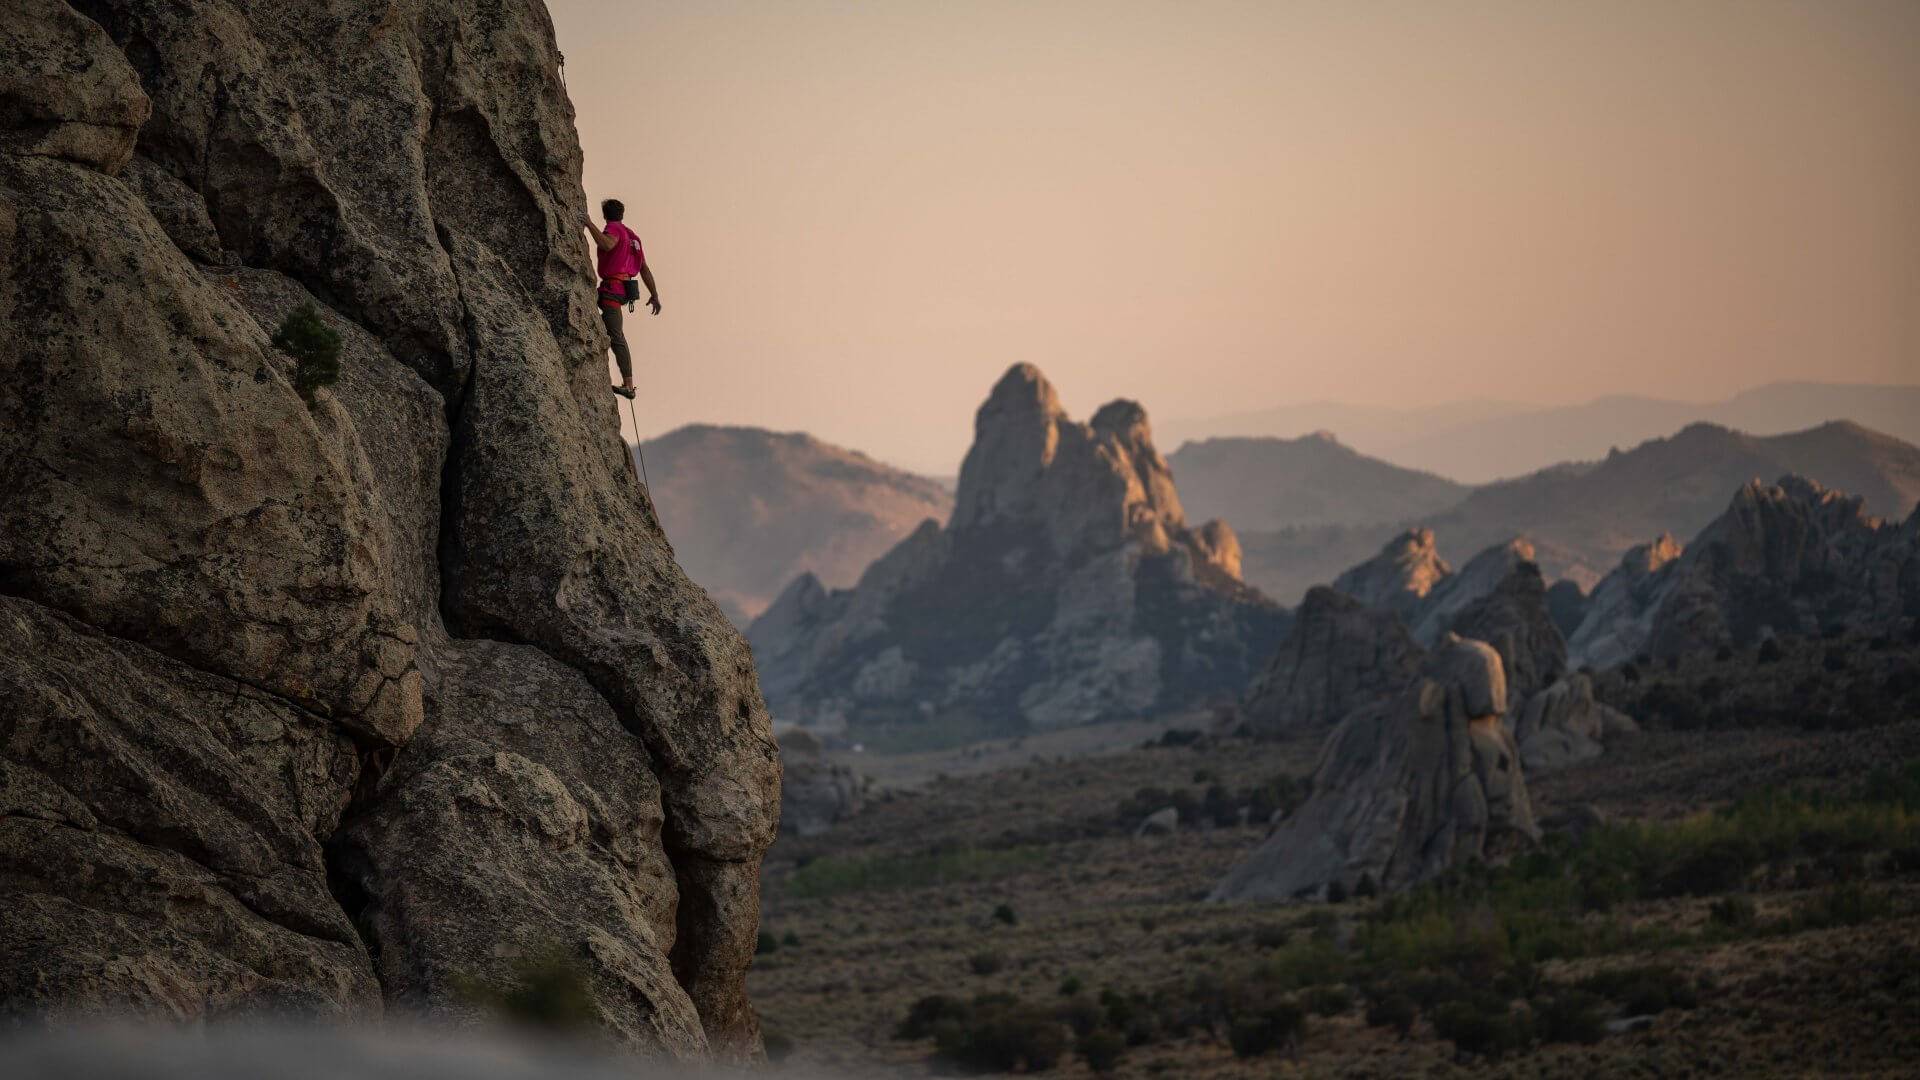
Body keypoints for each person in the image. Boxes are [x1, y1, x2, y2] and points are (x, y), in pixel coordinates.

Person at [584, 199, 659, 399]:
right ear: (622, 213)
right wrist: (655, 294)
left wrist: (588, 224)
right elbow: (644, 269)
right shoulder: (633, 237)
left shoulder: (613, 229)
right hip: (622, 289)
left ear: (605, 215)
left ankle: (629, 384)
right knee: (604, 325)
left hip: (612, 289)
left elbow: (607, 244)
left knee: (616, 335)